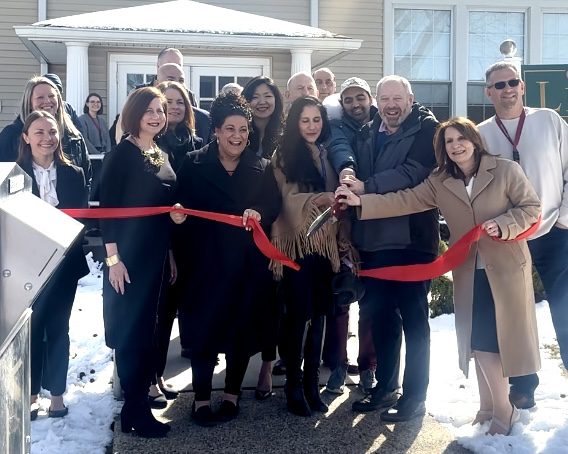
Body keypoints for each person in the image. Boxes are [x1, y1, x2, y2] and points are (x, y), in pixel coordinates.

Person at [337, 116, 541, 435]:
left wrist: (503, 223)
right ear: (442, 148)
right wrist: (361, 201)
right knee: (477, 339)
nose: (456, 145)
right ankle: (487, 407)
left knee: (493, 341)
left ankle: (505, 411)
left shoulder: (505, 170)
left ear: (475, 140)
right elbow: (406, 199)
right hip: (467, 268)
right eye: (449, 141)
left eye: (462, 138)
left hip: (505, 268)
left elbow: (531, 208)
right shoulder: (440, 180)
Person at [170, 92, 280, 426]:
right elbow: (178, 202)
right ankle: (201, 399)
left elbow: (273, 206)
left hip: (247, 266)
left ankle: (232, 395)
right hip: (203, 264)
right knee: (203, 332)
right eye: (230, 128)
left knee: (240, 332)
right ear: (215, 131)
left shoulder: (261, 168)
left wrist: (258, 212)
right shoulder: (192, 162)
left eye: (243, 129)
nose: (237, 135)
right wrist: (177, 216)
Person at [344, 75, 439, 422]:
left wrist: (366, 186)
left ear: (411, 99)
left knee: (415, 322)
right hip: (374, 242)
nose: (391, 105)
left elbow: (412, 173)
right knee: (380, 318)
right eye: (385, 99)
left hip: (413, 242)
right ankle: (385, 387)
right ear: (376, 102)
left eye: (398, 98)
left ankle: (415, 396)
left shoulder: (428, 130)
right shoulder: (370, 131)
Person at [478, 60, 568, 410]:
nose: (507, 90)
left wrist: (563, 219)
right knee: (513, 313)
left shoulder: (549, 121)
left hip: (552, 231)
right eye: (498, 85)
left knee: (564, 307)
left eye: (512, 82)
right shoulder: (482, 133)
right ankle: (523, 383)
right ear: (488, 92)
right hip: (508, 236)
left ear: (523, 86)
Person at [99, 87, 176, 438]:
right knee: (132, 335)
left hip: (155, 258)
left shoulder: (159, 153)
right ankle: (136, 409)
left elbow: (164, 201)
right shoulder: (123, 154)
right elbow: (107, 213)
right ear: (134, 113)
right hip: (127, 260)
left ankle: (134, 410)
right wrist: (114, 259)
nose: (157, 115)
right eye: (149, 109)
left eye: (161, 109)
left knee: (147, 333)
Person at [270, 95, 353, 417]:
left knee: (320, 315)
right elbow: (284, 199)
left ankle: (310, 385)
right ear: (294, 123)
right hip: (297, 248)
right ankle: (292, 385)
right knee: (298, 317)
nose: (311, 126)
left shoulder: (327, 154)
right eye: (305, 120)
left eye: (316, 120)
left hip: (325, 248)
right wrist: (316, 199)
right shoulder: (283, 156)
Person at [17, 110, 89, 420]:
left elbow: (82, 219)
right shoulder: (13, 176)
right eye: (39, 132)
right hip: (27, 266)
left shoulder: (74, 173)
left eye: (52, 131)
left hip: (64, 265)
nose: (48, 137)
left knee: (59, 327)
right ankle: (31, 394)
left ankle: (57, 394)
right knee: (32, 329)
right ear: (26, 137)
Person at [323, 77, 378, 395]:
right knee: (341, 298)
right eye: (348, 100)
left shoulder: (383, 127)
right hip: (344, 228)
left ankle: (368, 365)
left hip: (375, 223)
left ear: (370, 98)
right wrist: (347, 169)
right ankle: (339, 365)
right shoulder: (338, 128)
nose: (355, 105)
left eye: (360, 98)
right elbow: (340, 149)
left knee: (370, 301)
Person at [242, 75, 285, 399]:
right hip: (242, 227)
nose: (261, 101)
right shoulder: (238, 130)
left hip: (276, 227)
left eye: (267, 95)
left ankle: (267, 367)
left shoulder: (285, 136)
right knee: (245, 299)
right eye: (254, 96)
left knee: (271, 301)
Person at [0, 76, 92, 189]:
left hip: (67, 204)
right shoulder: (11, 135)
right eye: (40, 97)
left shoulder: (74, 136)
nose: (47, 101)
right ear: (29, 102)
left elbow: (86, 177)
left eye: (51, 96)